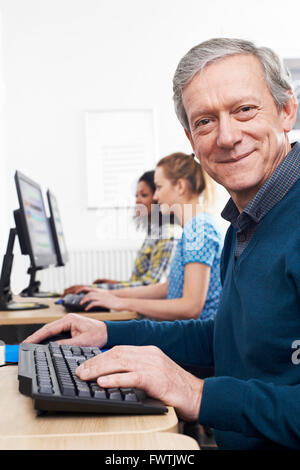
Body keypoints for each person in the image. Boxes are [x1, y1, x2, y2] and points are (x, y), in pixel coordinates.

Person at [25, 38, 300, 450]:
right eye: (205, 121)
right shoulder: (242, 226)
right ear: (191, 139)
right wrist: (107, 334)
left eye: (244, 109)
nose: (226, 136)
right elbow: (230, 340)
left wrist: (195, 393)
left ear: (286, 111)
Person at [69, 152, 222, 321]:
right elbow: (167, 288)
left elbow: (190, 308)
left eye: (159, 187)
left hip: (197, 338)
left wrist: (123, 303)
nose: (156, 196)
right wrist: (110, 294)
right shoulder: (193, 227)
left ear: (180, 186)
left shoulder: (198, 228)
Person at [63, 170, 178, 294]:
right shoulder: (155, 232)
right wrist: (114, 284)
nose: (137, 201)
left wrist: (94, 290)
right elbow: (143, 281)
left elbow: (152, 286)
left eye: (144, 195)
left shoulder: (167, 234)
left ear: (158, 198)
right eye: (136, 196)